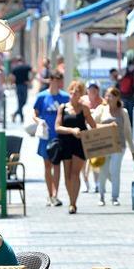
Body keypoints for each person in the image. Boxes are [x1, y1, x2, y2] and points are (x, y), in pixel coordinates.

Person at [50, 80, 96, 214]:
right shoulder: (63, 108)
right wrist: (71, 130)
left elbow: (93, 126)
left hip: (79, 144)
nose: (74, 94)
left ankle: (73, 203)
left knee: (75, 173)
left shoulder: (84, 108)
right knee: (67, 175)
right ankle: (71, 199)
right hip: (65, 143)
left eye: (77, 92)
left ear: (81, 94)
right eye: (72, 91)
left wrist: (108, 127)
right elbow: (57, 127)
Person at [92, 87, 134, 206]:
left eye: (110, 95)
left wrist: (132, 150)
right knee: (103, 170)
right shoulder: (101, 109)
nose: (108, 98)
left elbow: (127, 131)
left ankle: (115, 197)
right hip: (104, 144)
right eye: (106, 95)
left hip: (119, 145)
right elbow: (91, 123)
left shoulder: (123, 112)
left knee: (115, 170)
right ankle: (101, 196)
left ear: (117, 97)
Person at [32, 72, 69, 207]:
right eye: (56, 80)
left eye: (60, 80)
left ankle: (55, 194)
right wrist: (39, 121)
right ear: (51, 80)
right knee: (47, 165)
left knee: (57, 164)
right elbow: (34, 114)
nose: (58, 83)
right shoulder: (42, 96)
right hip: (46, 136)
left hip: (59, 136)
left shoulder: (65, 97)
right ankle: (49, 194)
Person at [83, 83, 106, 194]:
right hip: (84, 133)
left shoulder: (103, 102)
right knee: (84, 160)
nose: (92, 92)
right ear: (87, 91)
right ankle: (85, 182)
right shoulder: (83, 101)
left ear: (98, 90)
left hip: (97, 134)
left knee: (95, 159)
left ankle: (97, 182)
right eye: (90, 90)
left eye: (94, 90)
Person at [10, 56, 33, 122]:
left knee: (20, 102)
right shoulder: (26, 67)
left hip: (18, 86)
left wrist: (12, 83)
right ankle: (21, 117)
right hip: (24, 85)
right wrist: (30, 80)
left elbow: (12, 77)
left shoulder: (15, 68)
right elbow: (34, 72)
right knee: (24, 101)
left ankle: (15, 114)